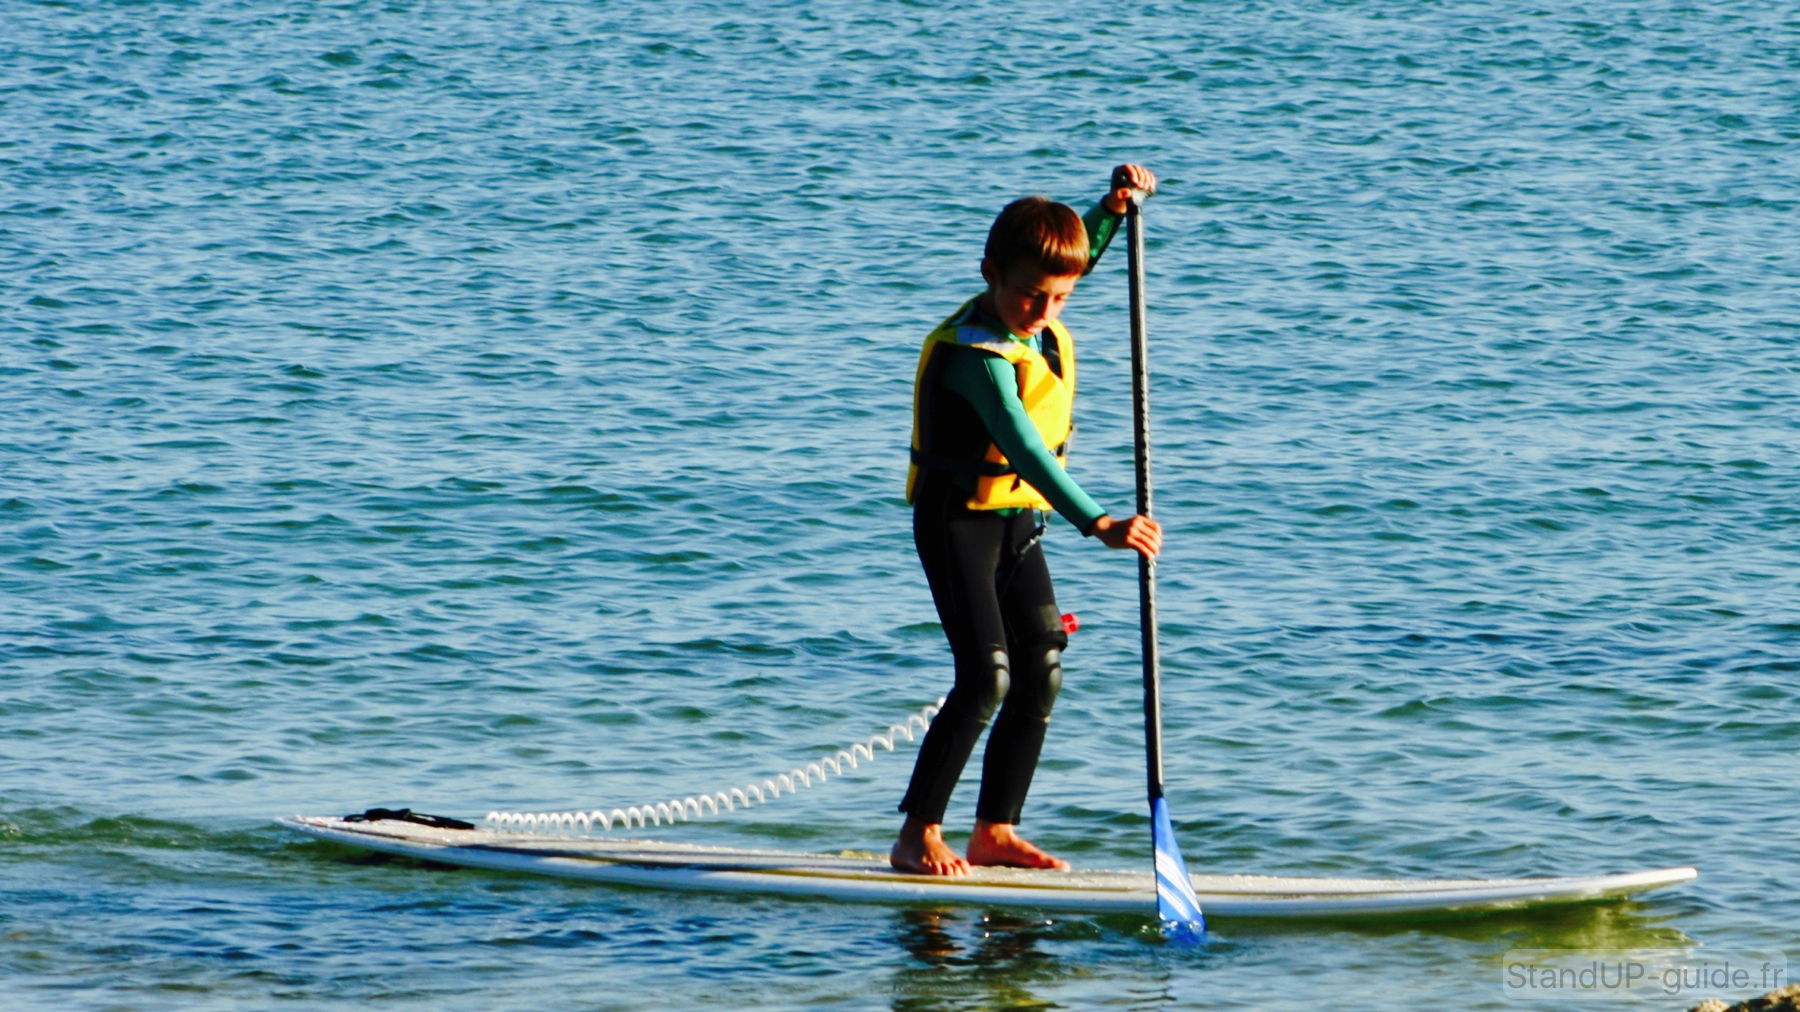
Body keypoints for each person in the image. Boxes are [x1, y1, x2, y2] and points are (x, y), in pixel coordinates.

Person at [893, 164, 1163, 876]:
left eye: (1061, 298)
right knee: (986, 677)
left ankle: (994, 831)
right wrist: (1098, 522)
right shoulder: (973, 355)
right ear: (990, 274)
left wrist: (1110, 209)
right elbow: (1023, 446)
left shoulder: (1037, 311)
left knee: (1041, 666)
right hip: (957, 524)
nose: (1043, 312)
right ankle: (917, 832)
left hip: (1016, 523)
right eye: (1029, 296)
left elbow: (1072, 256)